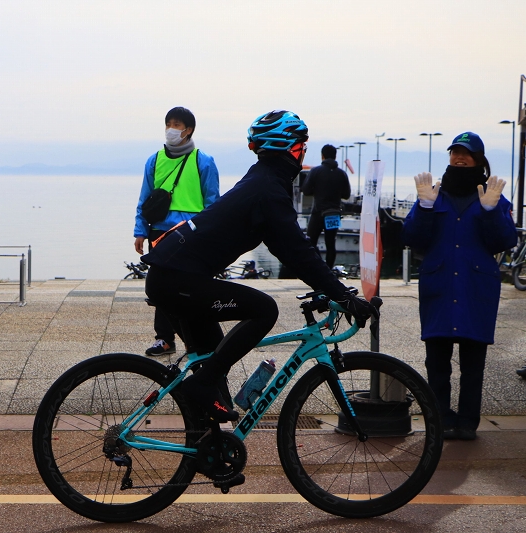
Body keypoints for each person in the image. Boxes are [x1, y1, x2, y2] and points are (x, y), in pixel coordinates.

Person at [141, 110, 378, 422]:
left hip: (174, 275)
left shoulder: (261, 180)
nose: (302, 152)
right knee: (265, 309)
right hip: (178, 280)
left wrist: (332, 288)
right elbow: (299, 253)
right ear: (287, 148)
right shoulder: (269, 190)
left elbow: (289, 250)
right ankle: (200, 387)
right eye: (300, 146)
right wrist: (344, 295)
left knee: (212, 363)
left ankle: (210, 451)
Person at [401, 132, 517, 441]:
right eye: (454, 152)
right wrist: (425, 206)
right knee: (436, 362)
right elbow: (413, 238)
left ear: (479, 159)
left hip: (476, 288)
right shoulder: (434, 194)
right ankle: (440, 418)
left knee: (473, 363)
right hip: (439, 285)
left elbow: (505, 241)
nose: (459, 157)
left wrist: (492, 211)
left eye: (466, 153)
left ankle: (467, 422)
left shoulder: (493, 195)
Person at [134, 107, 220, 357]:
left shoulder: (204, 161)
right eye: (168, 123)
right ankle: (165, 339)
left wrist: (212, 235)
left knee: (191, 285)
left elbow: (213, 202)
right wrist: (140, 231)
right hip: (160, 231)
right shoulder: (154, 160)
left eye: (177, 124)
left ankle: (198, 337)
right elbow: (144, 198)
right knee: (161, 286)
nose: (172, 129)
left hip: (192, 233)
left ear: (189, 129)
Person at [302, 144, 352, 267]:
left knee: (310, 241)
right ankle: (329, 270)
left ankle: (319, 266)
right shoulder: (342, 174)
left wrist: (318, 190)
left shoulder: (316, 171)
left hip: (318, 212)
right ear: (335, 156)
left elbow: (306, 190)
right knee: (331, 244)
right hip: (334, 213)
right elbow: (346, 195)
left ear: (322, 156)